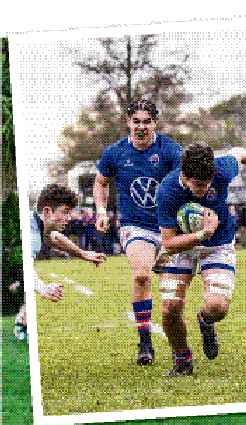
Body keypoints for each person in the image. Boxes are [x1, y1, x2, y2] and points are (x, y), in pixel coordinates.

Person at [154, 143, 246, 376]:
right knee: (170, 307)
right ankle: (182, 359)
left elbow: (238, 152)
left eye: (207, 184)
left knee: (217, 307)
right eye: (198, 185)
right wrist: (202, 234)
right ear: (184, 176)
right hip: (181, 245)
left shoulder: (222, 169)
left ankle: (206, 322)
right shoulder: (167, 190)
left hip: (218, 244)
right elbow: (168, 243)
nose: (205, 190)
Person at [94, 98, 182, 365]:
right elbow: (100, 182)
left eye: (147, 122)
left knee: (175, 300)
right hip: (135, 226)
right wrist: (100, 210)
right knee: (142, 275)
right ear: (128, 122)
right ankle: (145, 343)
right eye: (136, 122)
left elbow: (184, 182)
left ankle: (202, 325)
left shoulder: (170, 150)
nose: (141, 127)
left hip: (168, 227)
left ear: (155, 123)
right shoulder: (115, 153)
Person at [14, 184, 106, 341]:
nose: (69, 218)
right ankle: (22, 321)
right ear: (47, 211)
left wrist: (83, 254)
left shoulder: (38, 224)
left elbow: (55, 237)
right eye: (65, 212)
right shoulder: (33, 235)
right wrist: (43, 288)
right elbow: (27, 270)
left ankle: (22, 319)